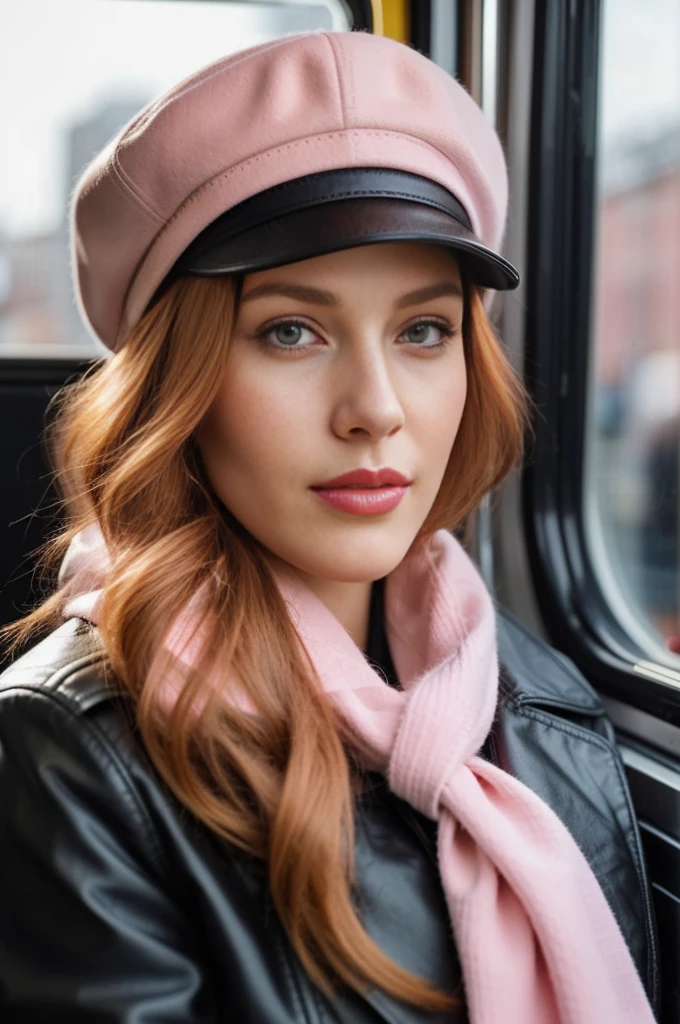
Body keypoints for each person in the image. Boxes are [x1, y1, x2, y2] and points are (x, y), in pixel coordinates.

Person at [0, 31, 658, 1024]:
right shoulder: (68, 753)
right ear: (183, 389)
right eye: (290, 331)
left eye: (422, 330)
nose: (375, 408)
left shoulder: (531, 696)